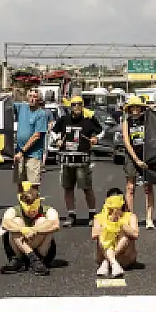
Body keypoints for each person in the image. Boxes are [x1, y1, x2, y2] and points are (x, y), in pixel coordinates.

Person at [52, 96, 102, 225]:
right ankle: (71, 215)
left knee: (87, 188)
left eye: (79, 104)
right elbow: (53, 131)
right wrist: (57, 139)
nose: (76, 107)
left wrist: (95, 138)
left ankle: (92, 214)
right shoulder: (63, 119)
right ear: (70, 106)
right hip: (66, 157)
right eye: (74, 105)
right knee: (68, 188)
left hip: (82, 158)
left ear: (83, 105)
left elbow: (101, 131)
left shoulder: (88, 120)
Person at [0, 184, 60, 275]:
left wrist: (34, 230)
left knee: (43, 221)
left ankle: (38, 259)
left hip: (42, 250)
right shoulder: (13, 210)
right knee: (15, 222)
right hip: (19, 249)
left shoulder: (48, 210)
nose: (31, 212)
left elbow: (55, 224)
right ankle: (31, 259)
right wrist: (23, 229)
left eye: (34, 208)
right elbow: (5, 223)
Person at [118, 95, 155, 227]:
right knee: (130, 187)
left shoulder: (148, 120)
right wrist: (136, 160)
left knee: (148, 187)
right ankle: (130, 217)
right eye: (133, 107)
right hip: (131, 157)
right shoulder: (126, 122)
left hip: (147, 155)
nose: (135, 109)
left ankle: (149, 218)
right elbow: (127, 143)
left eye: (137, 107)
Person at [90, 187, 140, 277]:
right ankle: (113, 262)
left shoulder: (131, 216)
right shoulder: (99, 217)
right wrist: (108, 224)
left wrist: (120, 223)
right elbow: (94, 235)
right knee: (102, 234)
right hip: (102, 255)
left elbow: (135, 234)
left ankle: (108, 261)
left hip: (125, 258)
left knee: (125, 235)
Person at [13, 88, 49, 195]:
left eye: (35, 97)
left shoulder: (41, 114)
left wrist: (22, 152)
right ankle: (22, 208)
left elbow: (36, 135)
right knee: (20, 183)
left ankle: (33, 209)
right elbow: (6, 104)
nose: (32, 99)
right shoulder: (22, 107)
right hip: (19, 152)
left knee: (33, 186)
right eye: (30, 96)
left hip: (33, 154)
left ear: (39, 100)